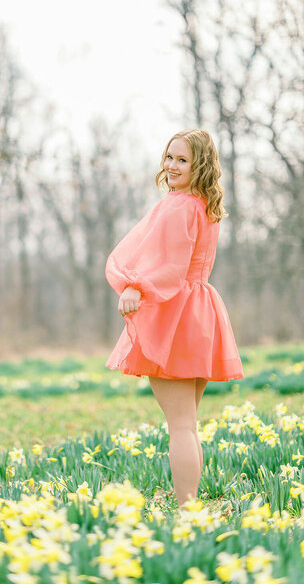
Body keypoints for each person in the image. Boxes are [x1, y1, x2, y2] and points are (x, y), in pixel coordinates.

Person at [104, 128, 244, 508]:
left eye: (182, 160)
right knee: (188, 424)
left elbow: (171, 268)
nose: (171, 166)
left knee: (180, 425)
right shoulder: (204, 205)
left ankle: (187, 510)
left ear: (199, 165)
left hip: (178, 315)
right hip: (201, 312)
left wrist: (135, 286)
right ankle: (191, 505)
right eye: (169, 157)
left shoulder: (180, 205)